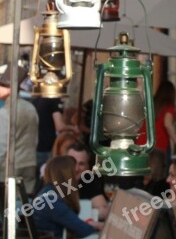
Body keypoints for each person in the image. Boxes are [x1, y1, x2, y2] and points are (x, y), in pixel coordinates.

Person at [33, 155, 103, 239]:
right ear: (67, 175)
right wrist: (98, 226)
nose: (77, 178)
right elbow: (85, 230)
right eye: (75, 173)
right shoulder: (52, 200)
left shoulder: (47, 192)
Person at [0, 64, 38, 194]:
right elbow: (35, 138)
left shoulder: (6, 112)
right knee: (24, 204)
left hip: (10, 167)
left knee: (8, 206)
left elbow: (2, 146)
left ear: (9, 88)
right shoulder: (30, 108)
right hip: (29, 163)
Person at [138, 80, 176, 163]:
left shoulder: (150, 104)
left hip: (141, 144)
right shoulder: (168, 107)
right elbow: (168, 124)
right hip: (158, 146)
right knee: (158, 173)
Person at [31, 95, 79, 169]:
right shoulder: (53, 100)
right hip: (47, 147)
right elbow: (59, 126)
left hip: (35, 146)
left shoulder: (37, 99)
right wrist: (73, 128)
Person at [66, 141, 109, 220]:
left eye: (81, 164)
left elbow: (104, 211)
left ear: (87, 167)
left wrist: (86, 214)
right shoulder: (55, 178)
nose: (76, 168)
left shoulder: (87, 180)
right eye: (72, 162)